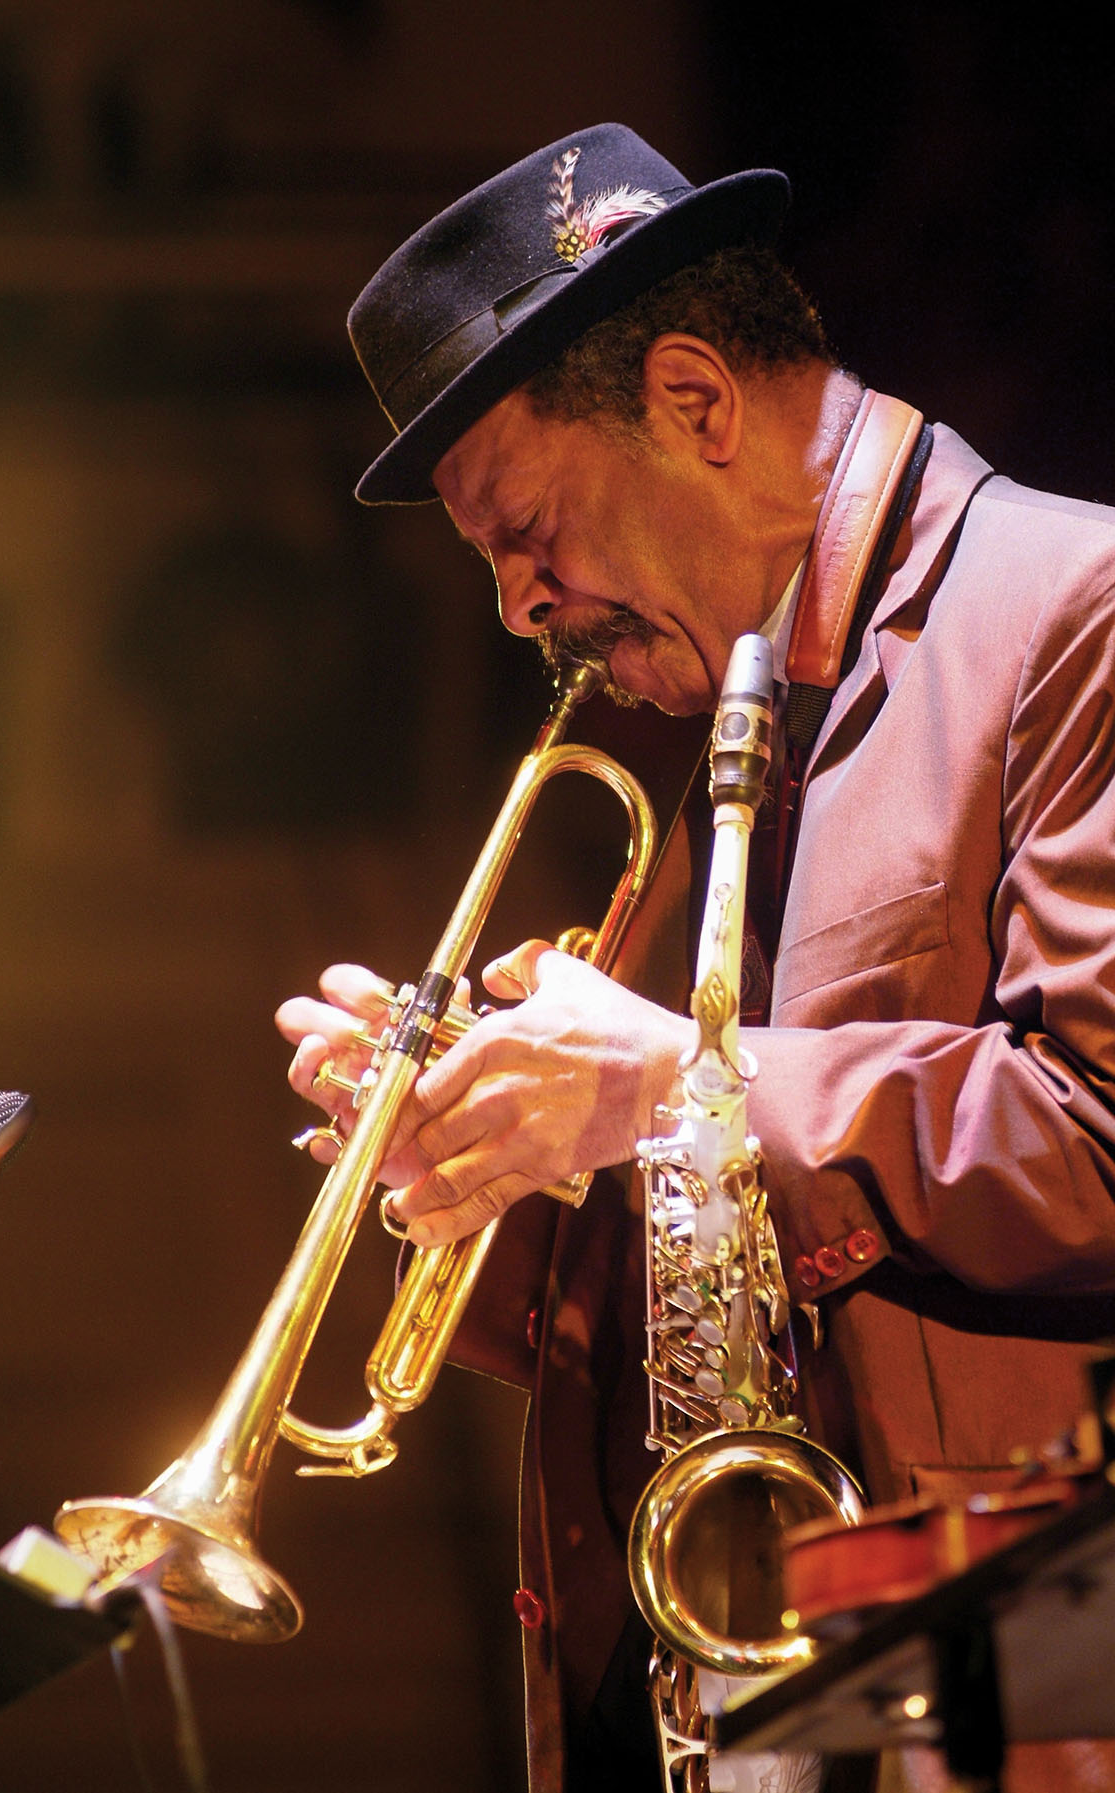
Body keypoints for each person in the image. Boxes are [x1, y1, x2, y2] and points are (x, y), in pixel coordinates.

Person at [275, 125, 1115, 1793]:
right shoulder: (741, 730)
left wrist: (676, 1081)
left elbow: (1097, 1139)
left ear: (698, 400)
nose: (519, 609)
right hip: (760, 1706)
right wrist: (493, 1166)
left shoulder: (1071, 607)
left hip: (1016, 1711)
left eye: (526, 530)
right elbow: (745, 1279)